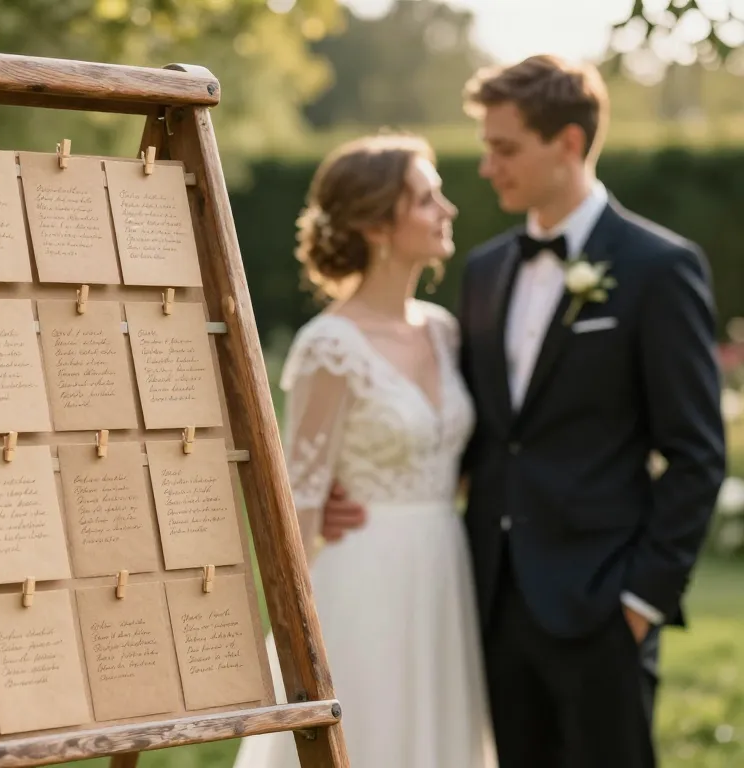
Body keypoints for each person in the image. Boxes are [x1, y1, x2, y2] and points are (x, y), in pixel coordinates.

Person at [322, 55, 727, 768]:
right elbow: (469, 432)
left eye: (504, 148)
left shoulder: (660, 268)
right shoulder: (485, 271)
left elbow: (696, 454)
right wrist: (350, 492)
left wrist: (642, 602)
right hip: (489, 604)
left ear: (567, 143)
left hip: (603, 609)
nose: (486, 167)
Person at [232, 133, 497, 767]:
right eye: (427, 199)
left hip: (443, 567)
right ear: (378, 224)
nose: (448, 210)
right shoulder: (330, 346)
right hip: (364, 576)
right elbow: (297, 504)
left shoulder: (444, 331)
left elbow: (453, 454)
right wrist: (292, 632)